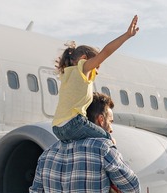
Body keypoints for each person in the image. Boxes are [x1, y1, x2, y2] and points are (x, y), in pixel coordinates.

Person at [52, 15, 139, 144]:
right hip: (74, 123)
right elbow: (106, 52)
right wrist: (126, 35)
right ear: (84, 58)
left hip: (57, 128)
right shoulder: (83, 67)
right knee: (109, 139)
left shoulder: (66, 74)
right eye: (96, 66)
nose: (97, 72)